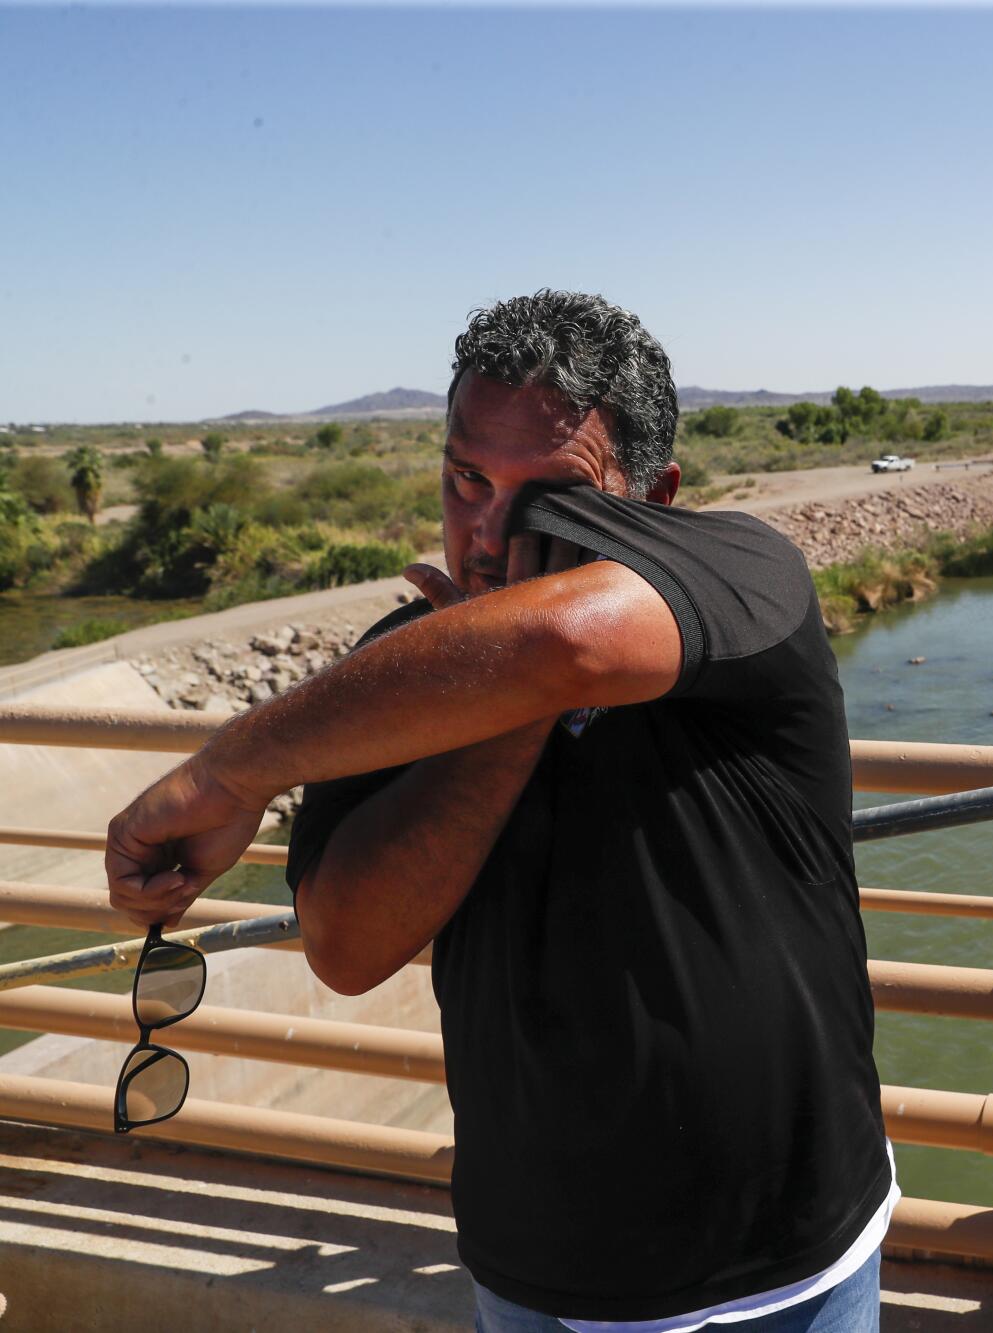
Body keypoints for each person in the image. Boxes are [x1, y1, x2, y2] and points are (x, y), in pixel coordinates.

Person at [105, 290, 894, 1332]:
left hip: (775, 1270)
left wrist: (230, 773)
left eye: (550, 496)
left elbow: (566, 645)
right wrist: (497, 715)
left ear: (650, 496)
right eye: (466, 478)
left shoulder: (744, 575)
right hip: (531, 1270)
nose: (489, 531)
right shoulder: (398, 672)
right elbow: (345, 945)